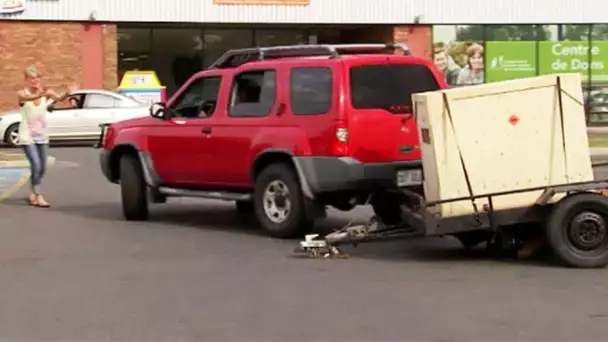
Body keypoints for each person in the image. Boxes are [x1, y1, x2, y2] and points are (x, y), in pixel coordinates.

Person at [17, 65, 75, 208]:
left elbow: (59, 99)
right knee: (35, 164)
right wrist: (43, 94)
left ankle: (33, 191)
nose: (34, 81)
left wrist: (67, 92)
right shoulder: (21, 93)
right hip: (27, 135)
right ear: (26, 80)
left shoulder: (46, 93)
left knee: (42, 167)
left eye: (37, 78)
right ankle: (38, 195)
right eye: (31, 78)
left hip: (42, 135)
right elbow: (29, 98)